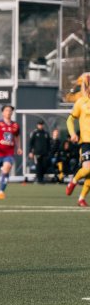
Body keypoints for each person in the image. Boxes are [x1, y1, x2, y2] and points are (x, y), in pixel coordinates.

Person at [65, 74, 90, 206]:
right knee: (87, 169)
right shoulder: (81, 102)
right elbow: (70, 119)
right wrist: (72, 133)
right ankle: (73, 181)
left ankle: (81, 198)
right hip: (86, 142)